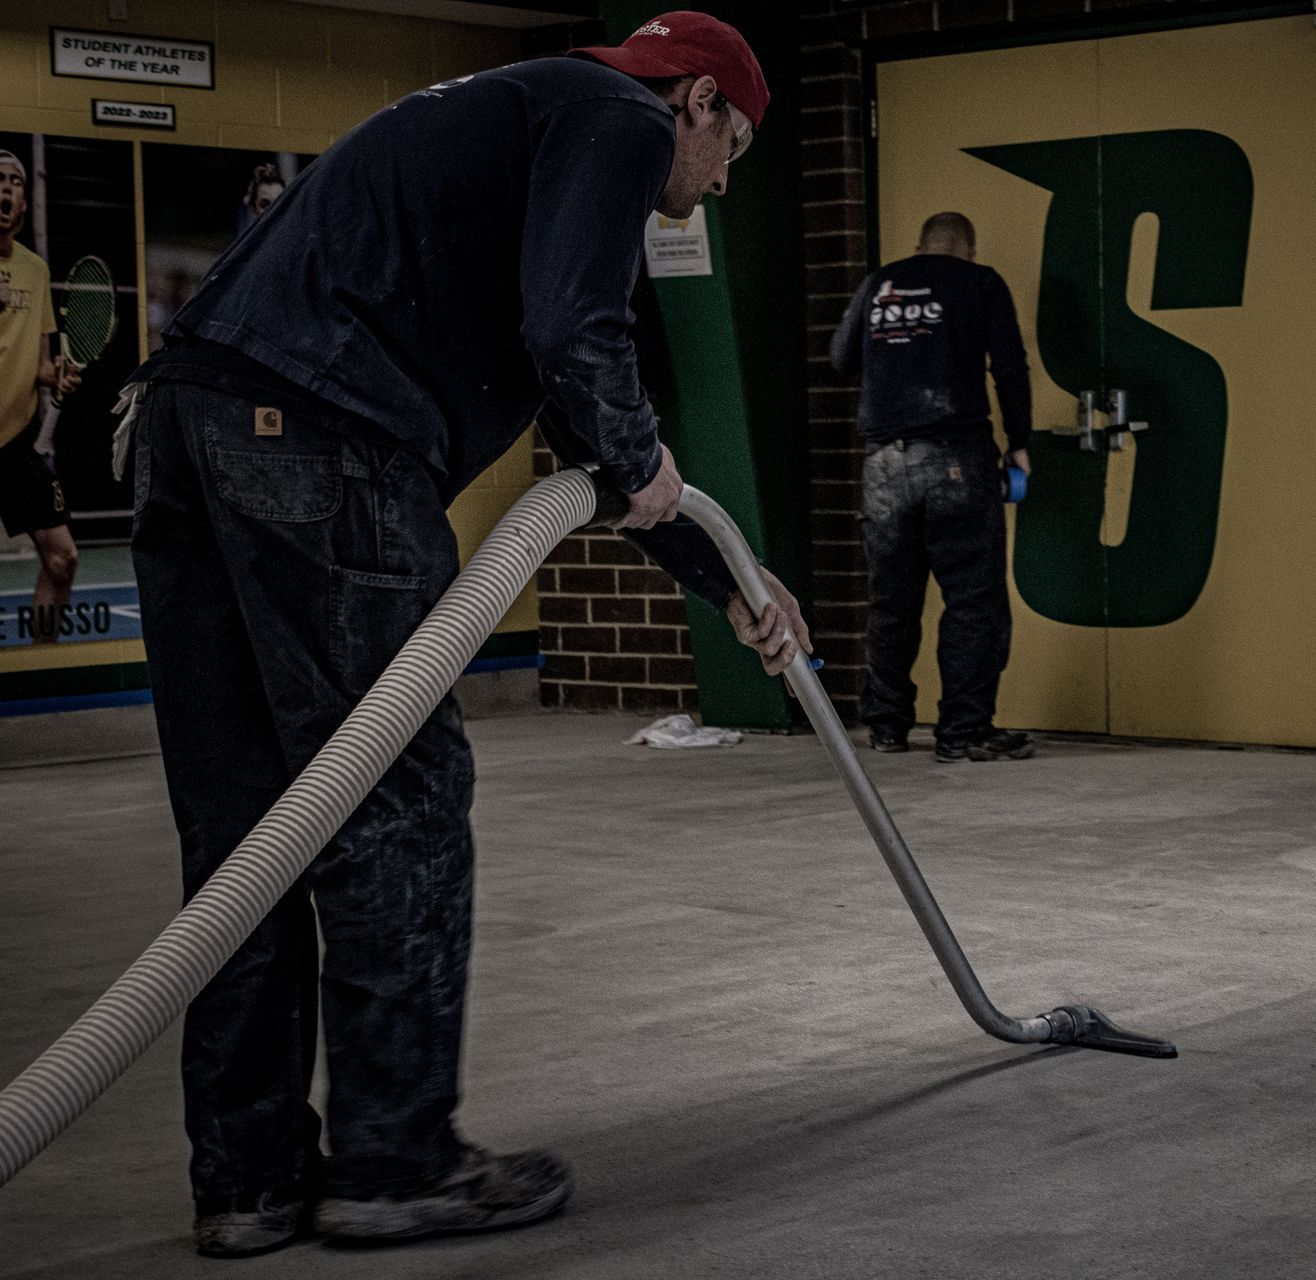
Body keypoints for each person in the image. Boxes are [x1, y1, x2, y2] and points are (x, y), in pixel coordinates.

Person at [123, 12, 808, 1257]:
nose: (715, 185)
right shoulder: (614, 117)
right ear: (696, 100)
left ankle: (249, 1176)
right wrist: (647, 456)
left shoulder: (506, 120)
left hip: (189, 419)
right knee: (398, 793)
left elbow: (579, 407)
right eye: (734, 148)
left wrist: (730, 580)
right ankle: (396, 1162)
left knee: (250, 826)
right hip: (326, 435)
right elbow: (577, 345)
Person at [830, 211, 1035, 763]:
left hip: (883, 466)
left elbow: (839, 357)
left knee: (892, 601)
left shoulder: (880, 284)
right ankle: (964, 731)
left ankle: (888, 725)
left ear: (920, 245)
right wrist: (1020, 441)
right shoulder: (981, 282)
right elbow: (1010, 366)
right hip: (956, 459)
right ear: (968, 250)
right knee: (972, 600)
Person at [0, 150, 81, 643]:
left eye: (14, 182)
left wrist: (58, 376)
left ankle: (43, 659)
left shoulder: (34, 269)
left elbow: (41, 362)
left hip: (14, 442)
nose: (4, 189)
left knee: (62, 559)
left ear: (24, 202)